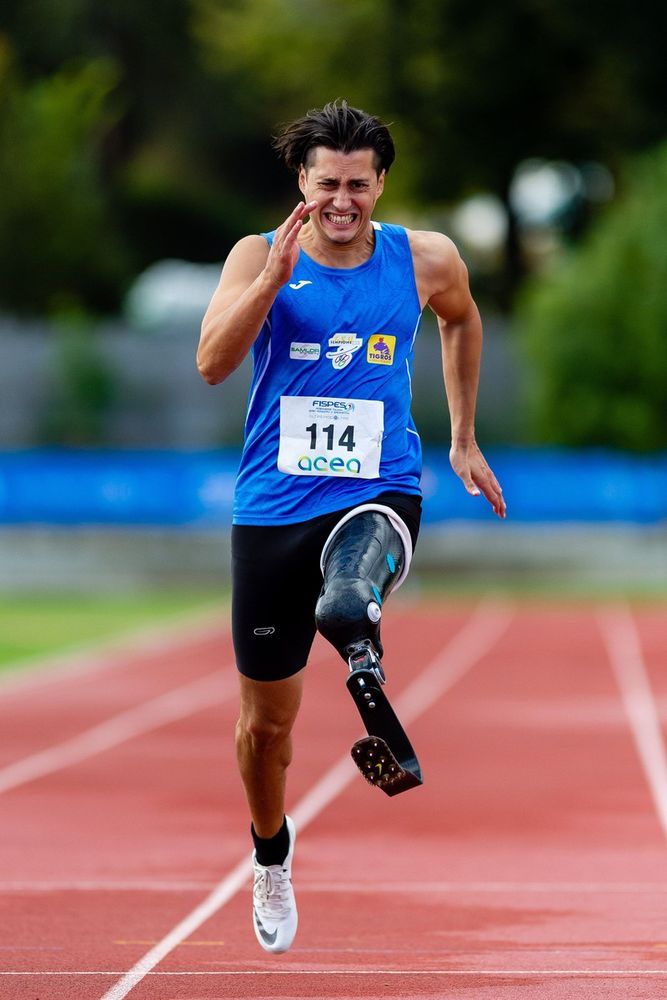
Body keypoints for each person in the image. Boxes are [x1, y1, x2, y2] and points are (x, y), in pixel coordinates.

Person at [197, 99, 506, 954]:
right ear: (301, 183)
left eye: (358, 185)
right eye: (326, 183)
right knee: (267, 729)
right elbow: (212, 363)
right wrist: (271, 279)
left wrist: (463, 436)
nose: (342, 200)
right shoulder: (258, 255)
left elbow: (461, 319)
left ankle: (358, 644)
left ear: (380, 185)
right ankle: (270, 854)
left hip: (379, 487)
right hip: (272, 508)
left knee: (345, 596)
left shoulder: (424, 259)